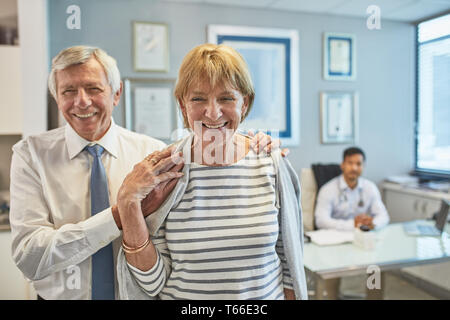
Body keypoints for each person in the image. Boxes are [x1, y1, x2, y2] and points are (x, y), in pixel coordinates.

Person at [9, 45, 281, 300]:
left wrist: (257, 144)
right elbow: (30, 258)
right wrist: (121, 213)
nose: (82, 102)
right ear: (57, 97)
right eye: (68, 91)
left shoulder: (155, 155)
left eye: (93, 88)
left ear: (116, 94)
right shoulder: (30, 156)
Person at [116, 44, 308, 300]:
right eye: (198, 99)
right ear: (183, 105)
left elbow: (290, 267)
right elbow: (152, 284)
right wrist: (128, 204)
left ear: (244, 102)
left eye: (226, 98)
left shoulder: (271, 163)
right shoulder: (167, 170)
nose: (213, 112)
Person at [314, 147, 390, 231]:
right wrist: (353, 224)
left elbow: (383, 216)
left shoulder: (370, 187)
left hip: (362, 235)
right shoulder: (327, 189)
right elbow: (321, 221)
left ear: (363, 166)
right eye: (350, 163)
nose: (354, 168)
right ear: (342, 165)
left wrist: (373, 223)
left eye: (358, 164)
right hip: (336, 236)